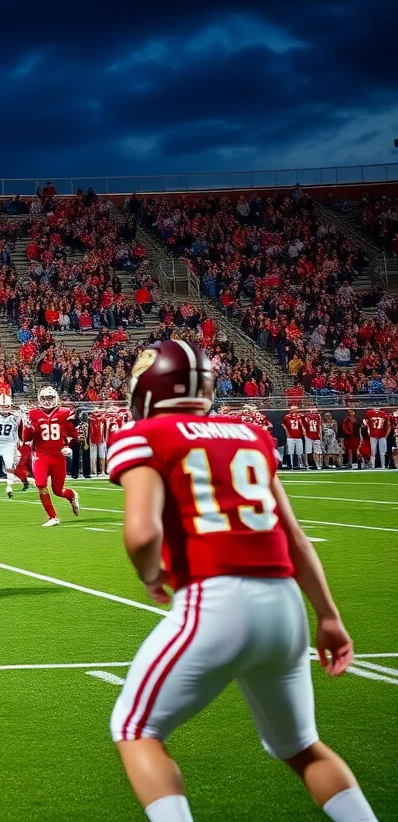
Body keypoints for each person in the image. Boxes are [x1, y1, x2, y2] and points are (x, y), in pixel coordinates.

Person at [106, 339, 377, 822]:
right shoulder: (250, 434)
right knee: (301, 746)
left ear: (146, 388)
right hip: (285, 607)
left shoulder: (144, 434)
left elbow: (142, 533)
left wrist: (151, 575)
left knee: (135, 729)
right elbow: (295, 537)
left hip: (215, 598)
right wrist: (330, 616)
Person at [24, 386, 79, 527]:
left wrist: (69, 447)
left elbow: (74, 435)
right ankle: (52, 517)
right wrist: (28, 427)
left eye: (50, 398)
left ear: (56, 398)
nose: (47, 401)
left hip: (58, 455)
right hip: (41, 454)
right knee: (41, 484)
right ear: (39, 399)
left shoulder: (65, 412)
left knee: (58, 491)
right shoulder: (32, 414)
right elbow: (26, 437)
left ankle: (72, 495)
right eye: (45, 398)